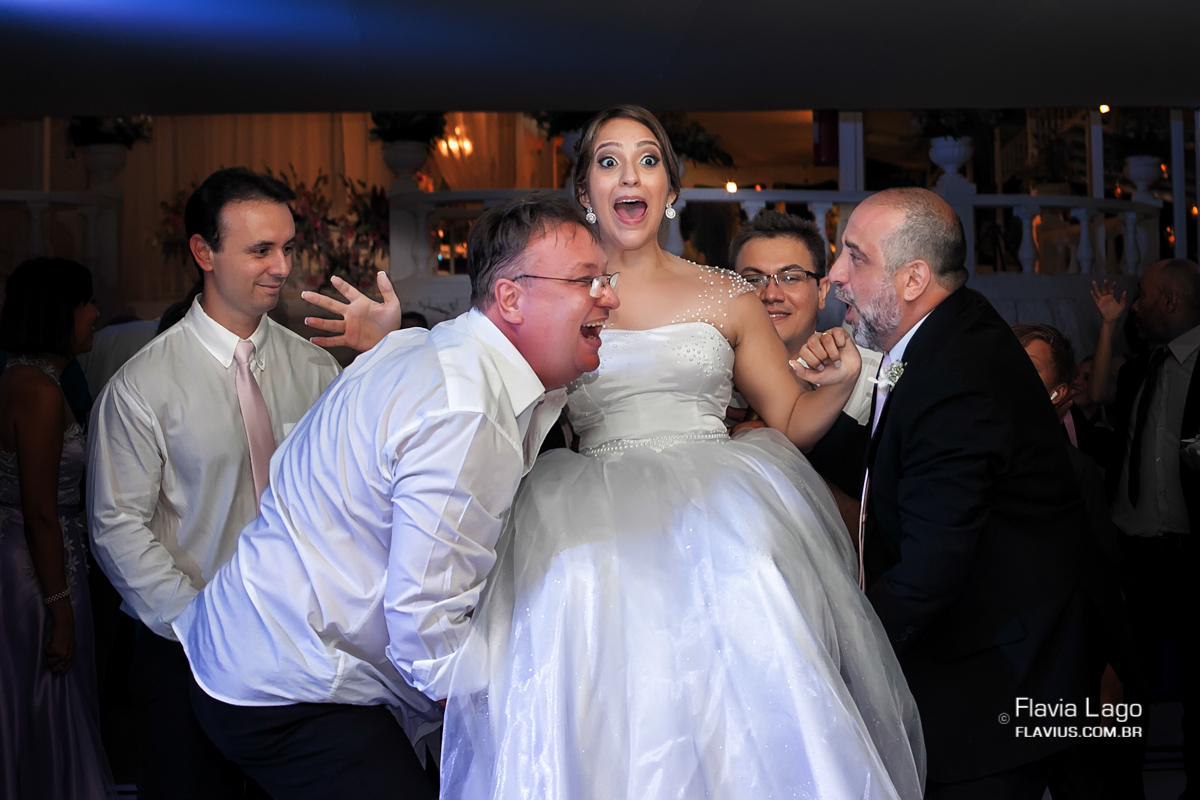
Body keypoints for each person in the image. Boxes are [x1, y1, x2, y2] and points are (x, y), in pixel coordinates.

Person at [441, 106, 924, 800]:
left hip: (719, 503)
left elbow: (788, 418)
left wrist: (841, 383)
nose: (628, 176)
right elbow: (496, 384)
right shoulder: (559, 296)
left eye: (647, 160)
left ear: (670, 188)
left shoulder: (728, 293)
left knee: (748, 637)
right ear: (584, 191)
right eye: (608, 161)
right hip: (593, 510)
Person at [171, 194, 618, 799]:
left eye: (606, 280)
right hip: (285, 678)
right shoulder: (466, 413)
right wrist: (527, 709)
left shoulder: (422, 347)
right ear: (511, 298)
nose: (608, 298)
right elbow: (424, 632)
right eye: (587, 281)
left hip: (247, 640)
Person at [87, 167, 399, 799]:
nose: (282, 267)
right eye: (261, 250)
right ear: (204, 252)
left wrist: (385, 357)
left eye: (287, 247)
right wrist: (197, 621)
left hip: (304, 642)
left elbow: (364, 489)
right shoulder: (143, 386)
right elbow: (117, 524)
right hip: (185, 647)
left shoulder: (314, 367)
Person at [827, 188, 1106, 799]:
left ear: (913, 279)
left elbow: (932, 568)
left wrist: (836, 654)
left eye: (855, 256)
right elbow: (895, 467)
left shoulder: (955, 374)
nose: (835, 274)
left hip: (997, 688)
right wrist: (781, 426)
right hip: (994, 663)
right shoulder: (949, 333)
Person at [0, 258, 113, 798]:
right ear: (58, 312)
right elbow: (40, 512)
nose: (95, 315)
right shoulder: (38, 391)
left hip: (38, 559)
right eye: (86, 303)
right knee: (47, 700)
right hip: (37, 571)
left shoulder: (27, 379)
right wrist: (60, 609)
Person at [1105, 258, 1200, 798]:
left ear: (1170, 301)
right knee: (1127, 685)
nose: (1136, 306)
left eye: (1142, 296)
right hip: (1135, 558)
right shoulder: (1137, 370)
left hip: (1191, 557)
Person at [729, 209, 883, 528]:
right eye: (753, 280)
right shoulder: (708, 381)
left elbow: (884, 524)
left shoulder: (872, 378)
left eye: (790, 277)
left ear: (822, 291)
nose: (771, 294)